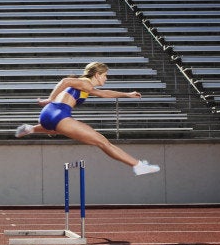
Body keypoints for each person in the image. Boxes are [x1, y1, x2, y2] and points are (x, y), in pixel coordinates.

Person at [15, 62, 160, 176]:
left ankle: (31, 128)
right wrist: (49, 99)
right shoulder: (85, 83)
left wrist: (127, 94)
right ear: (97, 74)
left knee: (60, 130)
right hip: (59, 113)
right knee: (103, 142)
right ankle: (138, 166)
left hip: (48, 116)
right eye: (105, 75)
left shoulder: (87, 87)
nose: (106, 78)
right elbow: (65, 81)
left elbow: (103, 94)